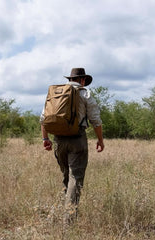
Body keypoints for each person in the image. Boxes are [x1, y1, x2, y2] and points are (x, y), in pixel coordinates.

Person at [40, 68, 104, 225]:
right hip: (77, 139)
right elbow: (95, 120)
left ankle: (65, 210)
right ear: (82, 80)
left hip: (59, 141)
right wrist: (100, 140)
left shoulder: (56, 93)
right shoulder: (85, 94)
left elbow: (43, 119)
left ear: (70, 79)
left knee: (66, 177)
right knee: (75, 178)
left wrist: (45, 138)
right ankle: (68, 220)